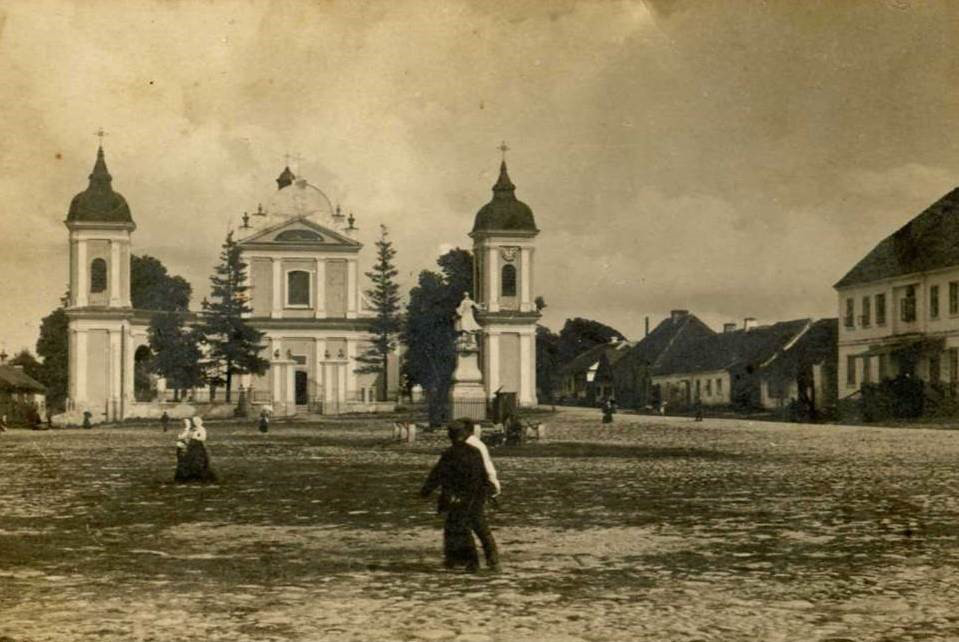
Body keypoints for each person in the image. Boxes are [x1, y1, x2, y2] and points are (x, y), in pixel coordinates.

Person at [420, 420, 499, 573]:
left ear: (451, 436)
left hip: (458, 497)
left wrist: (425, 491)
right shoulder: (475, 451)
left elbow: (437, 475)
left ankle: (468, 562)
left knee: (458, 528)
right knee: (479, 527)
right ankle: (492, 560)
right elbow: (483, 473)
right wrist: (489, 491)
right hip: (475, 496)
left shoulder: (450, 454)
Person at [174, 417, 217, 483]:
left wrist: (195, 437)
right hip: (189, 447)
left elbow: (203, 438)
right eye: (194, 422)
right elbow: (182, 438)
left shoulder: (201, 429)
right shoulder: (191, 430)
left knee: (198, 461)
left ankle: (199, 476)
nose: (195, 423)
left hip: (197, 447)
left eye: (196, 422)